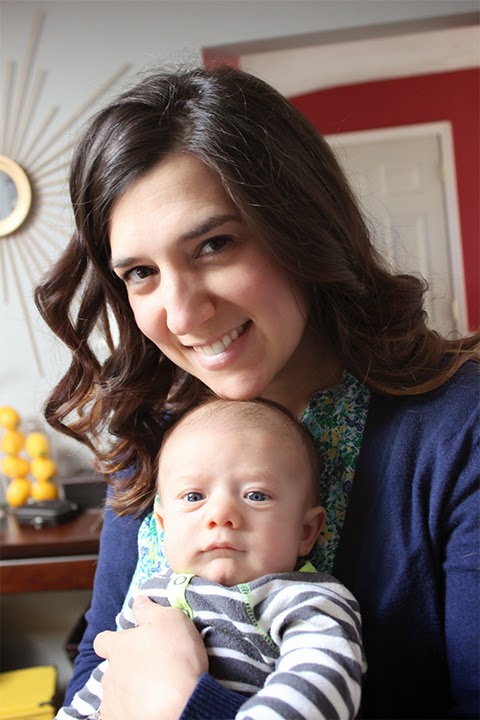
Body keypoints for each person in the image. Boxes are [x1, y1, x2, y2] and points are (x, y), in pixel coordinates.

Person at [34, 64, 479, 720]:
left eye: (214, 245)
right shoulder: (152, 441)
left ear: (303, 228)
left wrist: (187, 703)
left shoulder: (460, 429)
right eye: (141, 272)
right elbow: (95, 682)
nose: (182, 314)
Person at [56, 397, 364, 720]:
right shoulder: (150, 600)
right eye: (194, 496)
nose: (220, 514)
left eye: (256, 495)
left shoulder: (307, 603)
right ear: (163, 527)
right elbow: (102, 688)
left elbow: (316, 694)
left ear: (306, 531)